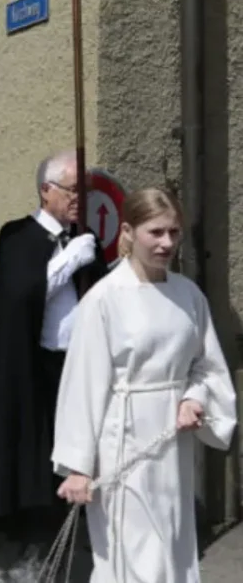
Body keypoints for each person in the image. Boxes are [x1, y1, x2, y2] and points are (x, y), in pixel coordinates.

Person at [52, 188, 236, 582]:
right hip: (122, 442)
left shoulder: (188, 295)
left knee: (171, 540)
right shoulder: (104, 299)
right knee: (130, 550)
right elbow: (82, 385)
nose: (167, 242)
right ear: (129, 231)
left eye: (173, 232)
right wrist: (78, 466)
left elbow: (206, 366)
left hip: (172, 444)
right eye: (156, 232)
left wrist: (193, 397)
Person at [0, 151, 107, 541]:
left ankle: (70, 518)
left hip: (74, 362)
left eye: (83, 191)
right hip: (29, 362)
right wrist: (69, 260)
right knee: (30, 448)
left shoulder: (83, 239)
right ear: (46, 190)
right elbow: (17, 296)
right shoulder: (17, 235)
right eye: (73, 190)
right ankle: (27, 527)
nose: (79, 199)